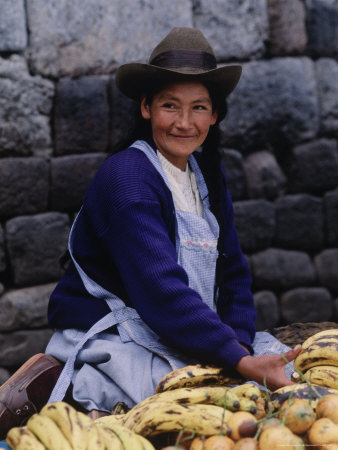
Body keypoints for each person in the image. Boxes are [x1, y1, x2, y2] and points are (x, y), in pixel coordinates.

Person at [0, 27, 301, 436]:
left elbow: (234, 276)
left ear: (215, 115)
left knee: (291, 380)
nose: (184, 123)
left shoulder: (204, 175)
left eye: (199, 108)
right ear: (146, 107)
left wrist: (241, 349)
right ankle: (60, 382)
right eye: (169, 106)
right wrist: (240, 363)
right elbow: (161, 289)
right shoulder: (127, 179)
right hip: (119, 335)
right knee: (196, 415)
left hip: (185, 329)